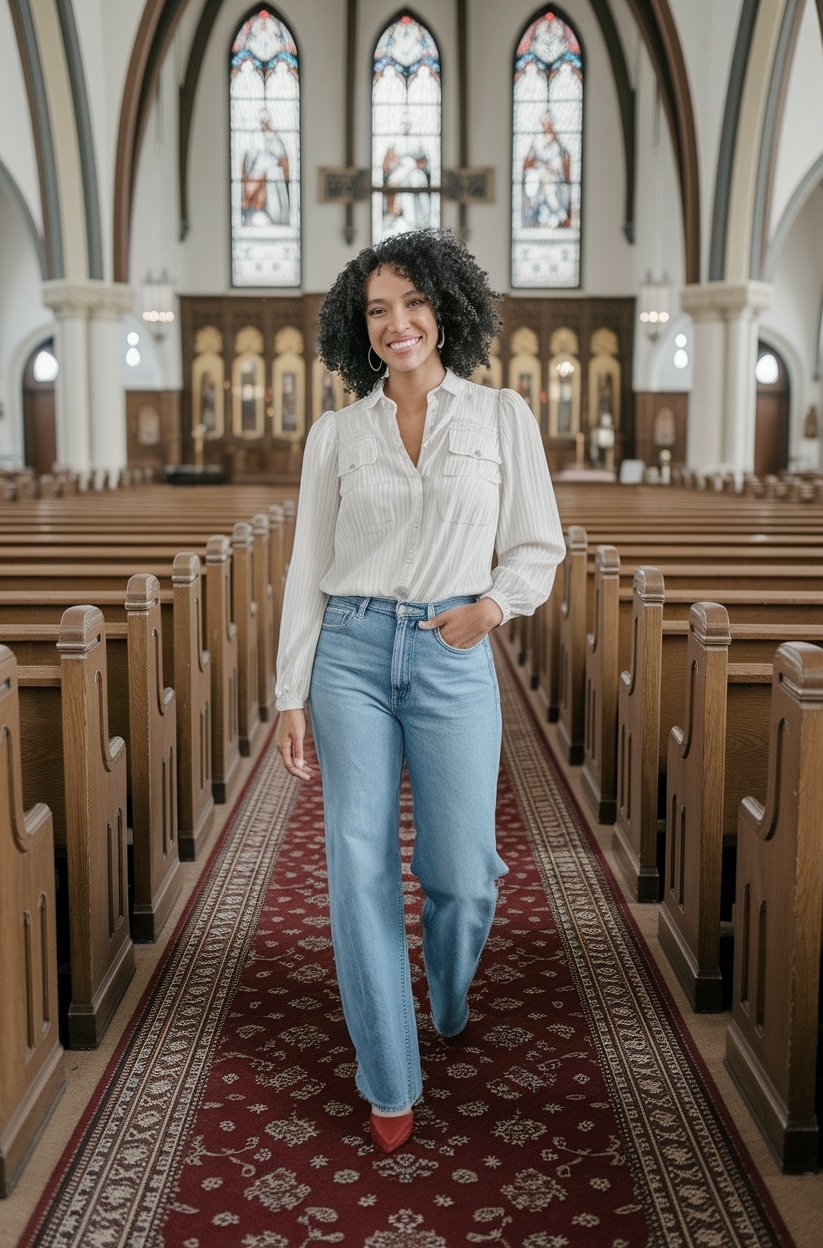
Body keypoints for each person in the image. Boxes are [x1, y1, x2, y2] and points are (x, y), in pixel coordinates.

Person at [275, 228, 564, 1154]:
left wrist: (490, 608)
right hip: (351, 656)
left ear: (445, 309)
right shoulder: (336, 435)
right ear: (357, 331)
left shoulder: (500, 417)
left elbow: (537, 546)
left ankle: (448, 984)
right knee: (357, 867)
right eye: (376, 310)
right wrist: (290, 692)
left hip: (451, 649)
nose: (397, 323)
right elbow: (305, 569)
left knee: (464, 874)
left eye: (412, 303)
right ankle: (388, 1076)